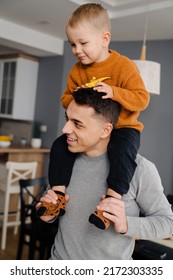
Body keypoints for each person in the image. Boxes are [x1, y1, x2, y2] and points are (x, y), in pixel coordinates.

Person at [37, 2, 150, 229]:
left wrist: (114, 92)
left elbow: (142, 99)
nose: (77, 50)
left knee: (123, 151)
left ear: (104, 38)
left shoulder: (123, 66)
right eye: (72, 44)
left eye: (83, 43)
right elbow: (65, 99)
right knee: (60, 145)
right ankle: (57, 196)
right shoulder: (77, 70)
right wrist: (78, 96)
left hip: (123, 127)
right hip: (90, 130)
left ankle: (110, 203)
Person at [37, 88, 173, 260]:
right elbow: (53, 211)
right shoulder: (63, 160)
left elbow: (168, 222)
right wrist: (47, 214)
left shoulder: (140, 169)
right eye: (67, 119)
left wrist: (126, 224)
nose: (65, 129)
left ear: (105, 130)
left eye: (77, 124)